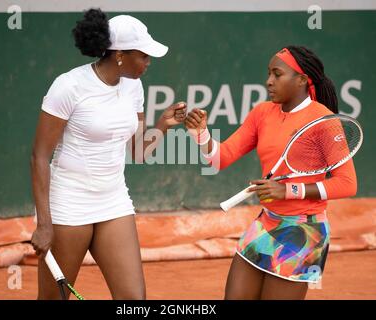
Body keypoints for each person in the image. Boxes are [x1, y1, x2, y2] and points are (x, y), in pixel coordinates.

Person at [30, 8, 187, 300]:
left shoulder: (134, 87)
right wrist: (44, 223)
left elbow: (139, 152)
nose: (148, 62)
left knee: (134, 300)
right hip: (69, 202)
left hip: (113, 200)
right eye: (143, 55)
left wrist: (164, 124)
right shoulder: (69, 86)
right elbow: (39, 156)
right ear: (119, 54)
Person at [185, 46, 357, 300]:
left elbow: (347, 184)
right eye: (269, 74)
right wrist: (201, 134)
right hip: (266, 222)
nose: (269, 81)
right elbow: (220, 159)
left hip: (303, 231)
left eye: (277, 74)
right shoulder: (262, 113)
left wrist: (288, 190)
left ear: (301, 80)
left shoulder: (324, 120)